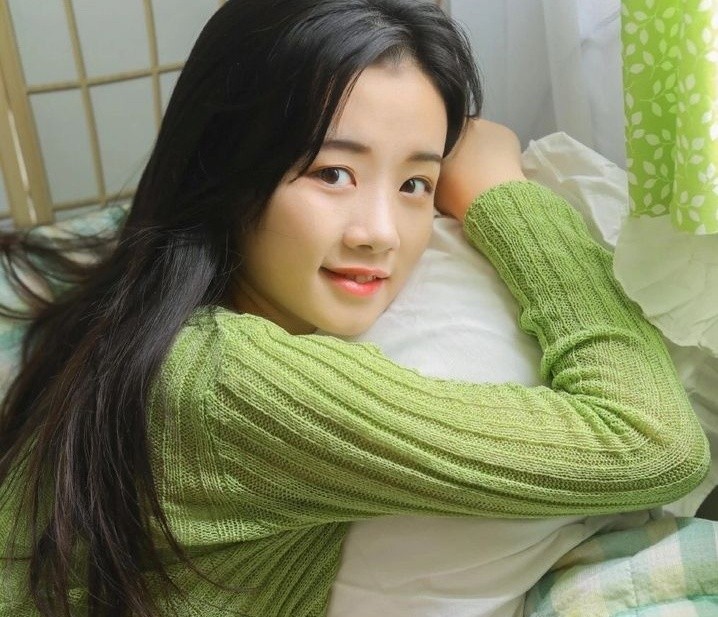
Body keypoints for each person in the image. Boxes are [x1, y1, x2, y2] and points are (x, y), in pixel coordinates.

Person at [0, 1, 709, 616]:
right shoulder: (228, 385)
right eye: (333, 172)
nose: (380, 232)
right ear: (227, 165)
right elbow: (653, 444)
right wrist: (504, 195)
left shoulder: (146, 309)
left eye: (415, 184)